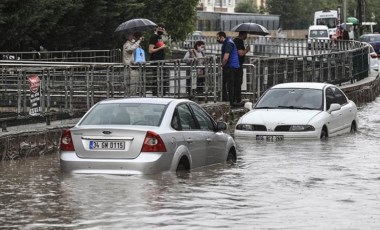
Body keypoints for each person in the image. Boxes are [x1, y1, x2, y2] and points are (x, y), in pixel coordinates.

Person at [216, 31, 240, 107]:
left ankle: (231, 102)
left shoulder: (228, 43)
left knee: (229, 84)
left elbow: (226, 57)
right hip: (232, 66)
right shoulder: (228, 42)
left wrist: (221, 65)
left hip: (230, 66)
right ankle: (227, 99)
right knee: (225, 83)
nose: (217, 39)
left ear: (222, 37)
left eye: (218, 37)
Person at [233, 31, 250, 105]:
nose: (247, 36)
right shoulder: (238, 41)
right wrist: (247, 50)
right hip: (237, 66)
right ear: (244, 34)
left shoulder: (236, 41)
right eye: (246, 34)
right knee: (237, 82)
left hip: (236, 65)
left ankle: (236, 99)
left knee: (237, 82)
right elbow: (241, 53)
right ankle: (237, 100)